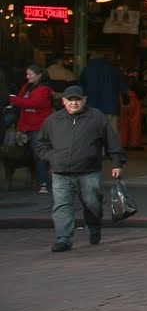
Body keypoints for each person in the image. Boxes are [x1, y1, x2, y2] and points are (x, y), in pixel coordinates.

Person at [35, 85, 124, 252]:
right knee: (62, 205)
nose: (74, 103)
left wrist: (117, 163)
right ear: (63, 101)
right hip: (60, 171)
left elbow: (111, 141)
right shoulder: (52, 120)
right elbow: (41, 144)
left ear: (84, 100)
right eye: (70, 100)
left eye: (77, 99)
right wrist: (51, 157)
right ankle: (63, 239)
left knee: (92, 203)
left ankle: (94, 227)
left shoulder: (96, 117)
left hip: (88, 170)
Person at [8, 63, 54, 193]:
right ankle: (38, 180)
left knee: (38, 155)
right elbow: (24, 102)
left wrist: (12, 99)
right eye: (27, 74)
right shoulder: (27, 86)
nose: (27, 76)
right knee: (26, 154)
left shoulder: (45, 89)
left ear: (39, 75)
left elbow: (32, 103)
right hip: (25, 124)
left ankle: (43, 182)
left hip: (37, 126)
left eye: (30, 74)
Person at [77, 52, 124, 128]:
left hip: (91, 107)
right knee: (111, 133)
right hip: (111, 107)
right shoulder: (114, 70)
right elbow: (123, 87)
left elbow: (80, 89)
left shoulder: (86, 70)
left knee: (92, 133)